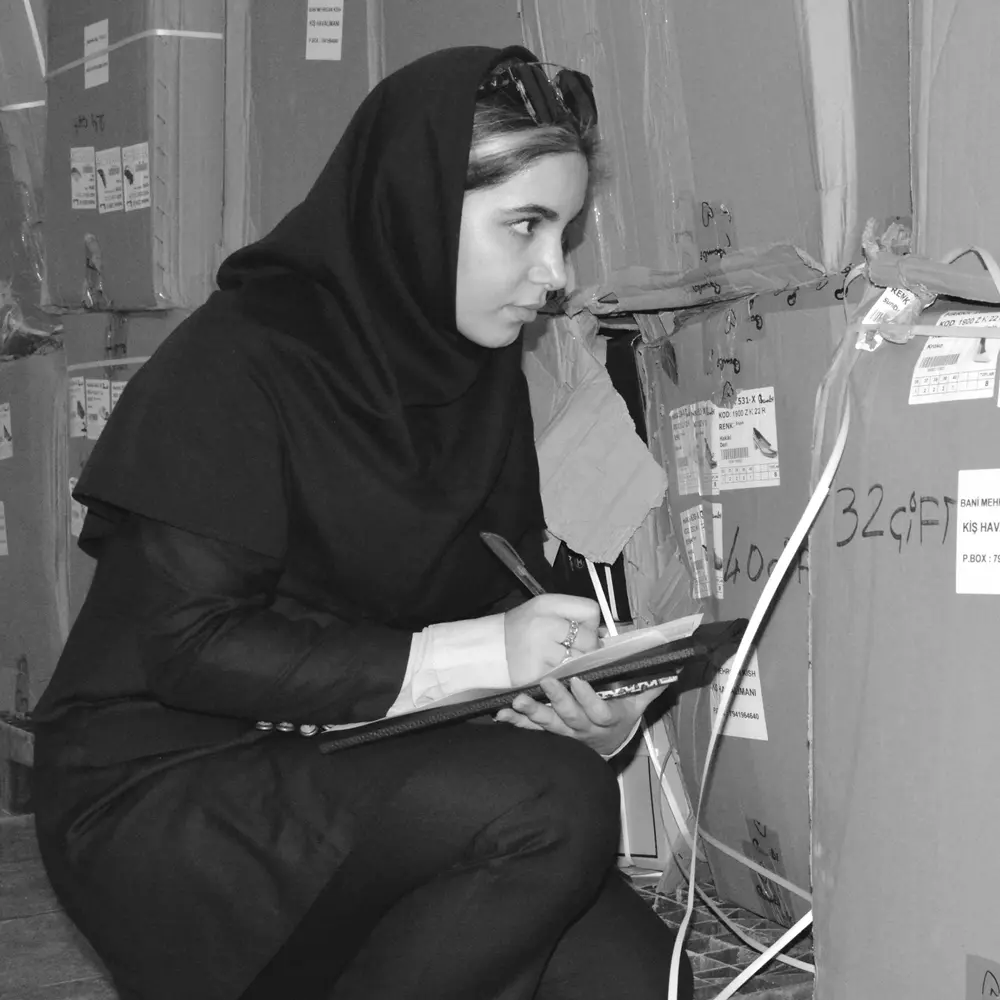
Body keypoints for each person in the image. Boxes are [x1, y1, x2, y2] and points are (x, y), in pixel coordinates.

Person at [31, 45, 695, 1000]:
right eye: (525, 226)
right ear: (412, 210)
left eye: (566, 232)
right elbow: (190, 646)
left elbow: (495, 598)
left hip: (353, 760)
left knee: (637, 979)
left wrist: (583, 703)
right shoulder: (238, 361)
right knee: (553, 806)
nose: (555, 275)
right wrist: (484, 655)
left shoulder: (478, 380)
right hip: (169, 783)